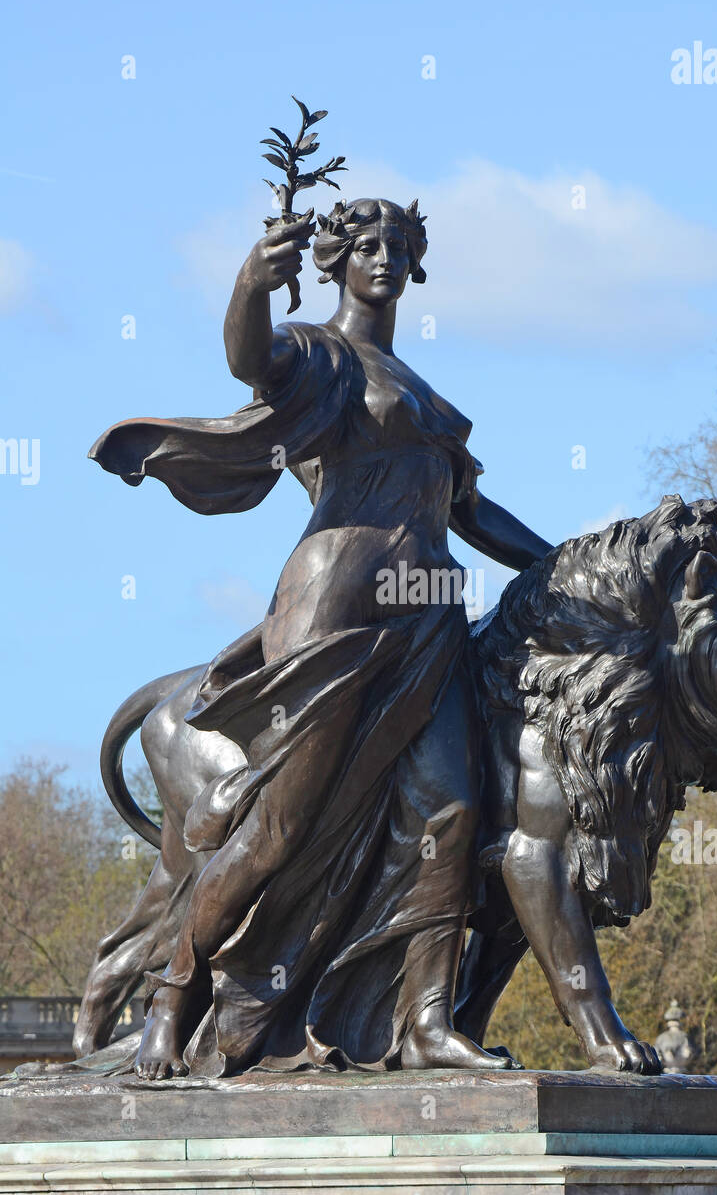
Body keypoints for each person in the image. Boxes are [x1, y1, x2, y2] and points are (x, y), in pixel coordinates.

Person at [90, 197, 553, 1078]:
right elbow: (250, 359)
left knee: (450, 810)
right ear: (337, 260)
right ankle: (171, 1001)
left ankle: (423, 1025)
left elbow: (473, 513)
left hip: (426, 612)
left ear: (415, 264)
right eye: (366, 245)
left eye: (398, 246)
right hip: (335, 604)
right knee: (277, 827)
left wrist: (568, 566)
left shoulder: (422, 391)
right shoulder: (318, 354)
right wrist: (249, 284)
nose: (383, 257)